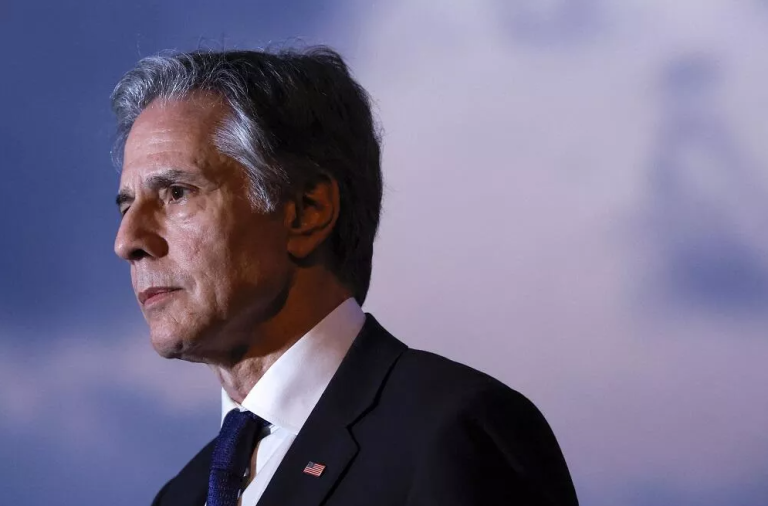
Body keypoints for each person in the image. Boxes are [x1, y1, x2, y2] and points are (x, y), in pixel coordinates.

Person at [111, 46, 579, 506]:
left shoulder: (454, 433)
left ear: (306, 212)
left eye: (177, 192)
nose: (127, 241)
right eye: (127, 205)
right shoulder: (180, 495)